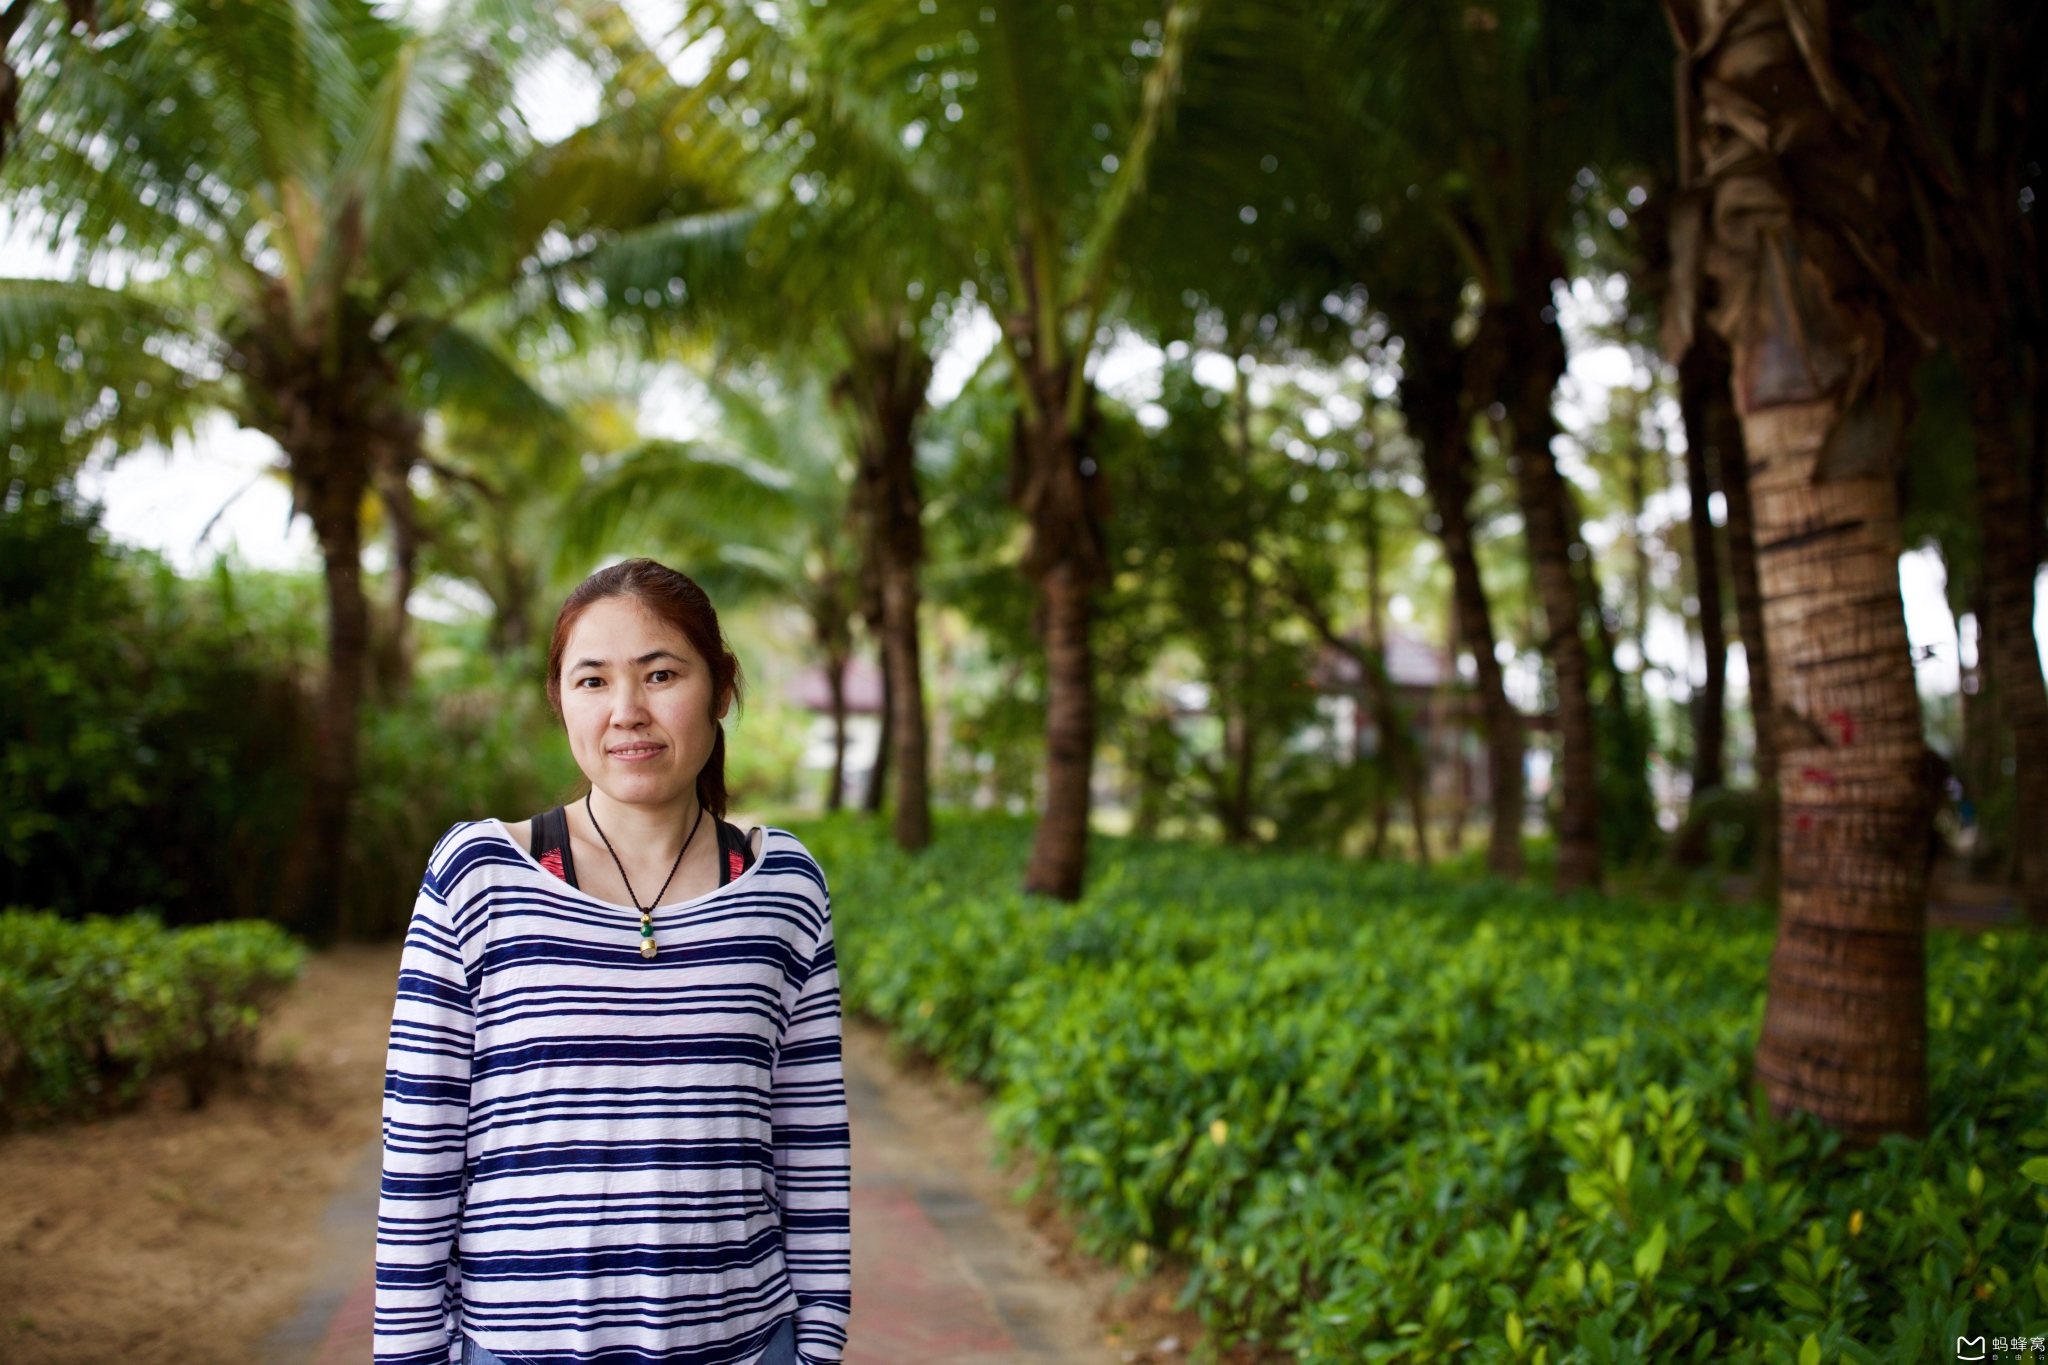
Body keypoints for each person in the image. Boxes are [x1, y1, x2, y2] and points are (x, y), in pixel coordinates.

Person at [373, 559, 849, 1365]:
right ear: (559, 699)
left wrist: (820, 1345)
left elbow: (811, 1144)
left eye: (661, 673)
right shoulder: (479, 877)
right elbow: (421, 1146)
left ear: (721, 688)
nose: (627, 710)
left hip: (745, 1345)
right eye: (591, 680)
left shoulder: (784, 887)